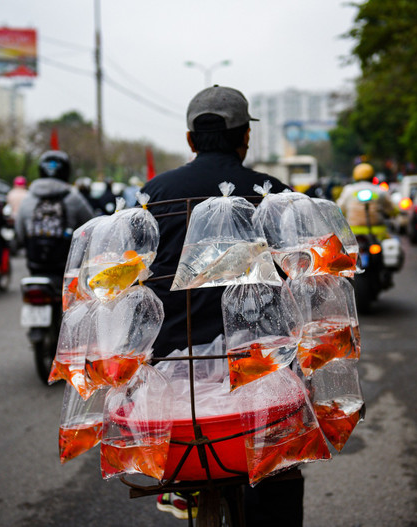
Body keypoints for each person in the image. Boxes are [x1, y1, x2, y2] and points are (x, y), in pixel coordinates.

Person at [141, 85, 302, 525]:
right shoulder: (275, 194)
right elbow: (304, 275)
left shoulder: (152, 195)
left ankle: (181, 492)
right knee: (281, 471)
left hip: (174, 368)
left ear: (191, 140)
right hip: (262, 367)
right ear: (244, 137)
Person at [15, 150, 95, 277]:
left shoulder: (28, 198)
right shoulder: (74, 197)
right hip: (65, 266)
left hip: (34, 263)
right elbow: (91, 225)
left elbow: (19, 232)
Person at [336, 162, 398, 240]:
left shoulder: (348, 190)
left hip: (353, 233)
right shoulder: (380, 191)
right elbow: (392, 209)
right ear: (372, 177)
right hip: (378, 234)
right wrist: (396, 212)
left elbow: (339, 209)